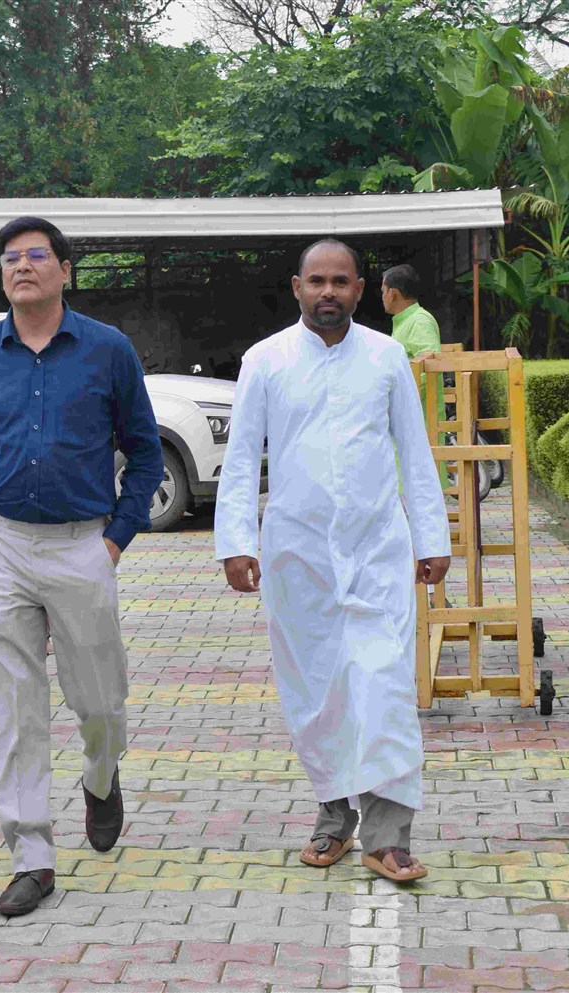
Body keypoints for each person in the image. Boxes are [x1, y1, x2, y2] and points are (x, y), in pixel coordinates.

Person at [0, 216, 163, 917]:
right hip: (0, 545)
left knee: (101, 702)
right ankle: (31, 854)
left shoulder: (107, 349)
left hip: (81, 545)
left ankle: (101, 775)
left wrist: (114, 541)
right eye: (10, 257)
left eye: (36, 255)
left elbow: (145, 451)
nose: (22, 266)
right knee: (16, 708)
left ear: (65, 269)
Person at [214, 239, 451, 884]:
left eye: (340, 282)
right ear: (297, 287)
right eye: (316, 281)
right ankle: (334, 816)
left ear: (359, 289)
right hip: (298, 555)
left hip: (378, 550)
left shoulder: (385, 357)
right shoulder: (265, 360)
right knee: (317, 692)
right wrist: (235, 542)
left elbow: (414, 450)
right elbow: (243, 458)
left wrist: (432, 536)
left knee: (384, 685)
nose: (327, 292)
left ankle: (388, 836)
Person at [382, 264, 449, 487]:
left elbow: (429, 361)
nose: (382, 297)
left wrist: (399, 396)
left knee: (418, 487)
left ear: (393, 293)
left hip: (419, 416)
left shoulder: (419, 321)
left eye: (383, 291)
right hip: (404, 416)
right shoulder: (405, 321)